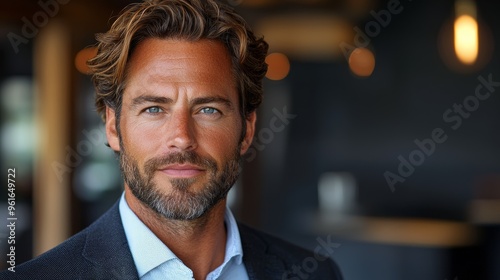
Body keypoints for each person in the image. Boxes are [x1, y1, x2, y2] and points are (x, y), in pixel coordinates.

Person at [4, 0, 343, 279]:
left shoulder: (315, 274)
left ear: (247, 129)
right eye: (154, 109)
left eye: (208, 110)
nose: (181, 138)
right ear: (112, 127)